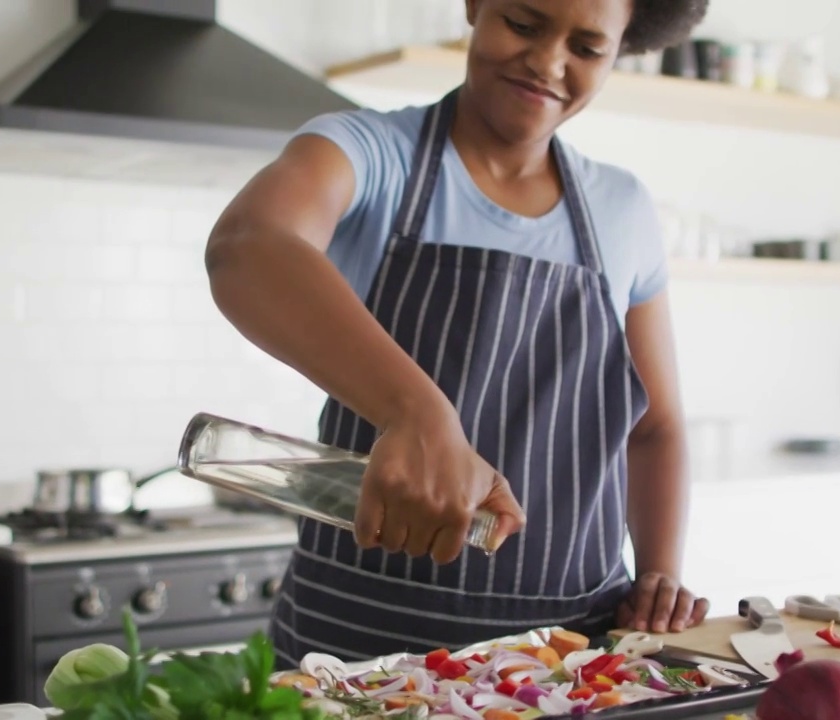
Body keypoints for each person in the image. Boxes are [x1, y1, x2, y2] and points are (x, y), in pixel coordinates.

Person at [205, 0, 711, 669]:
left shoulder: (623, 209)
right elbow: (248, 243)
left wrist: (659, 573)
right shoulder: (371, 153)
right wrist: (419, 415)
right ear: (475, 5)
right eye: (525, 25)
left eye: (587, 49)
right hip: (354, 651)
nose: (549, 62)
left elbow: (655, 427)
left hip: (566, 652)